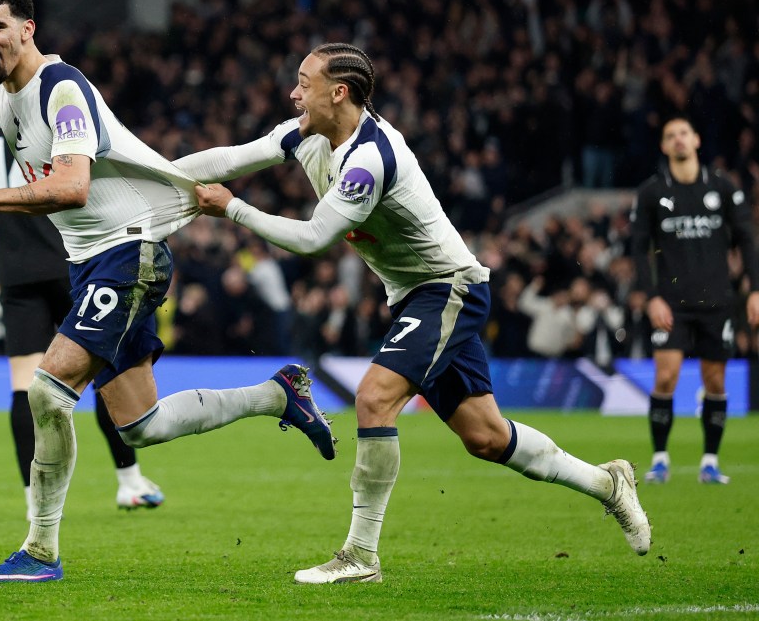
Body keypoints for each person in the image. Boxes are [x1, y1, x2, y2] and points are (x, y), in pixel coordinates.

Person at [180, 42, 651, 584]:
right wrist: (147, 176)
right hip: (412, 295)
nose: (293, 93)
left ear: (339, 93)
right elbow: (229, 159)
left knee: (373, 398)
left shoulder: (370, 159)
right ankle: (608, 483)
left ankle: (361, 556)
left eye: (304, 83)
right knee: (487, 437)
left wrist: (233, 209)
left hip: (447, 287)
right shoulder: (306, 134)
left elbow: (312, 239)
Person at [0, 0, 335, 583]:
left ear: (27, 29)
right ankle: (278, 395)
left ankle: (39, 552)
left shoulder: (61, 89)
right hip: (89, 261)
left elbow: (72, 187)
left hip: (127, 252)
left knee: (46, 390)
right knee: (142, 425)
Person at [0, 126, 164, 514]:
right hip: (73, 264)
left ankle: (34, 502)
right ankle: (130, 481)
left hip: (17, 275)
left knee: (24, 385)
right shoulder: (51, 121)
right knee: (104, 372)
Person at [630, 116, 759, 485]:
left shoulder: (722, 186)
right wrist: (652, 297)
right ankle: (659, 460)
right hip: (672, 304)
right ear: (663, 146)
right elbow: (639, 249)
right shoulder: (652, 192)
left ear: (697, 140)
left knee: (715, 380)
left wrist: (755, 289)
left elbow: (747, 239)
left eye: (684, 133)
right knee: (665, 376)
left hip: (717, 301)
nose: (678, 140)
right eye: (670, 135)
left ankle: (710, 462)